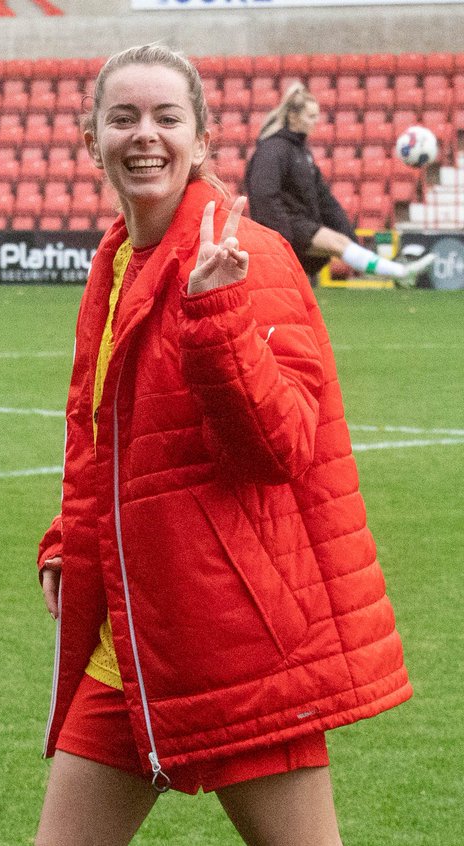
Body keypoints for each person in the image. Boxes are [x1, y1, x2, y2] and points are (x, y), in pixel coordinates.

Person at [34, 45, 411, 846]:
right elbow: (99, 441)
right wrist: (68, 540)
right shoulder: (113, 265)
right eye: (123, 117)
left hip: (240, 646)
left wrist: (217, 320)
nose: (145, 136)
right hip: (131, 643)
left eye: (168, 118)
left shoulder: (255, 259)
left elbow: (280, 449)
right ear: (90, 136)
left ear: (202, 140)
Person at [246, 81, 435, 287]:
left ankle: (394, 270)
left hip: (295, 226)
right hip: (286, 227)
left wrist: (348, 232)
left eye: (317, 115)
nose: (315, 121)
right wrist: (283, 236)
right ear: (293, 117)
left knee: (339, 244)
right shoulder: (274, 150)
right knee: (338, 244)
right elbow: (264, 194)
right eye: (311, 116)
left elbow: (324, 198)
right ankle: (398, 271)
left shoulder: (300, 152)